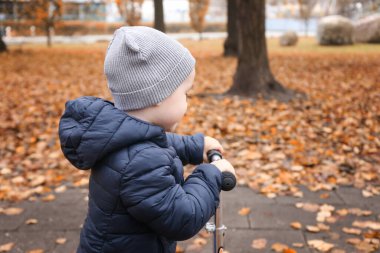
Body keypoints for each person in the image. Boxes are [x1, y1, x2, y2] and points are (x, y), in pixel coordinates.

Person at [58, 26, 235, 253]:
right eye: (185, 94)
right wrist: (213, 175)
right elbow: (183, 217)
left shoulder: (122, 137)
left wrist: (195, 146)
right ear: (158, 96)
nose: (187, 101)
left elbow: (155, 143)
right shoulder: (142, 161)